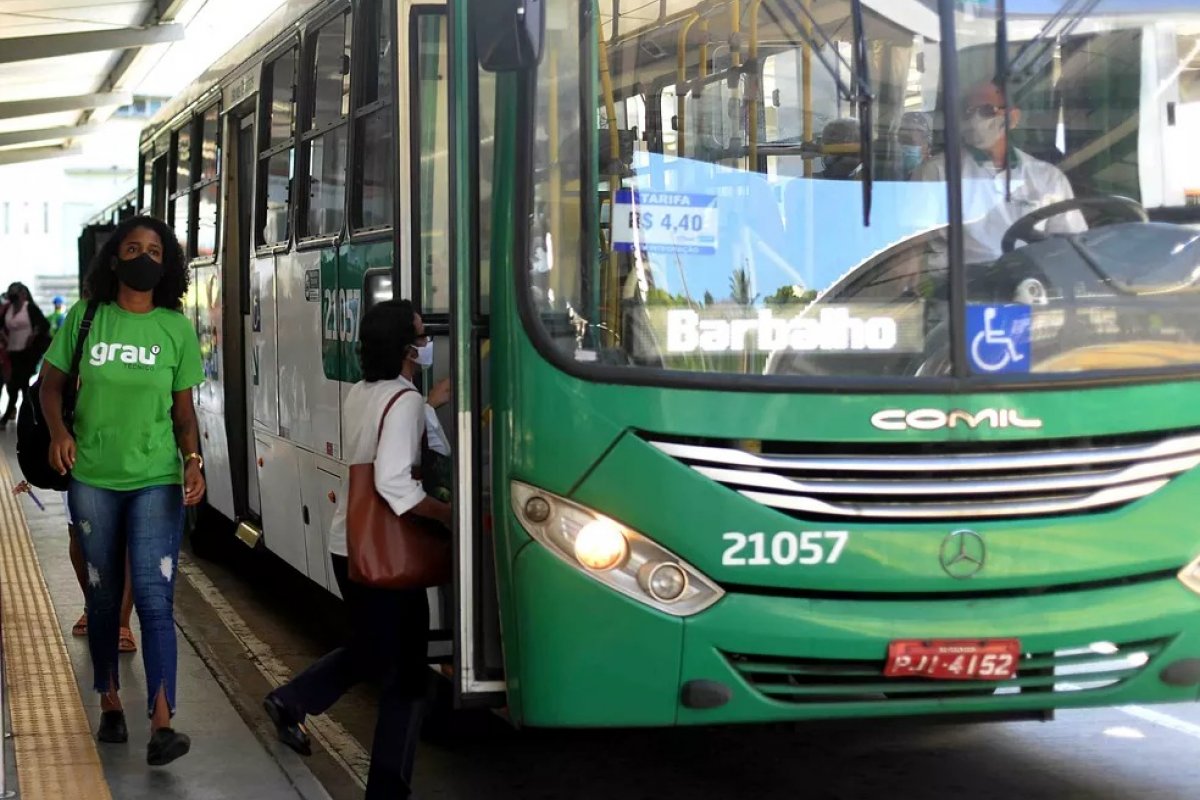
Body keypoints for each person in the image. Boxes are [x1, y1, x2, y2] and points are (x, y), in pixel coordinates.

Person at [263, 299, 452, 800]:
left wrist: (427, 405)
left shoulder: (366, 392)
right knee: (407, 675)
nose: (426, 339)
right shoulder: (405, 402)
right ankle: (386, 788)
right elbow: (394, 484)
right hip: (385, 552)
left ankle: (291, 701)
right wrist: (447, 515)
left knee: (376, 652)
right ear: (406, 347)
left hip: (349, 544)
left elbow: (379, 443)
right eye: (420, 333)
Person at [40, 214, 205, 767]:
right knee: (105, 595)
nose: (143, 257)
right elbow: (50, 382)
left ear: (168, 264)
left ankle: (162, 723)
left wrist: (193, 461)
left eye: (154, 250)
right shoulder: (88, 318)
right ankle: (110, 701)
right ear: (114, 259)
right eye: (132, 248)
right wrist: (61, 433)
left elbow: (184, 413)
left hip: (156, 479)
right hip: (92, 477)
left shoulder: (176, 330)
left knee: (156, 599)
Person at [912, 80, 1086, 263]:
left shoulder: (1048, 178)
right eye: (969, 112)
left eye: (986, 110)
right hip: (963, 285)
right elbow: (913, 247)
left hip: (1032, 283)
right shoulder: (936, 173)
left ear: (1012, 118)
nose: (975, 120)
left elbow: (1072, 245)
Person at [65, 489, 137, 653]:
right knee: (79, 529)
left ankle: (122, 621)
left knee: (130, 533)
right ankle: (93, 606)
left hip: (131, 469)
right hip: (79, 468)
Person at [1, 282, 50, 428]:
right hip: (12, 352)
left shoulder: (29, 307)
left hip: (27, 353)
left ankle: (19, 415)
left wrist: (33, 336)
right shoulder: (8, 309)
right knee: (14, 385)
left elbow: (44, 325)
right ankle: (27, 415)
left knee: (20, 384)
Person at [898, 111, 932, 178]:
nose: (904, 147)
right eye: (904, 140)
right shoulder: (890, 172)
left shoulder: (934, 175)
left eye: (910, 142)